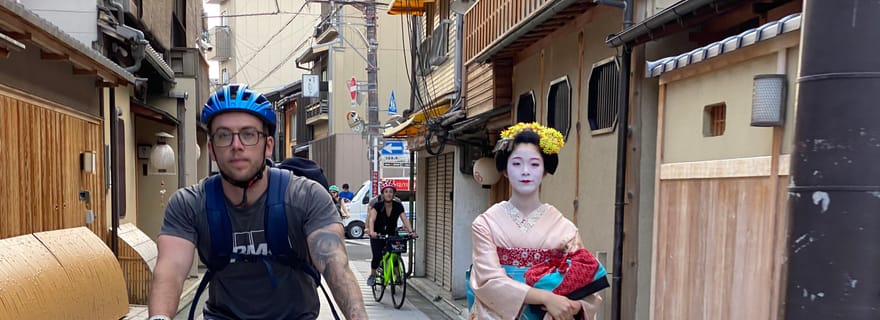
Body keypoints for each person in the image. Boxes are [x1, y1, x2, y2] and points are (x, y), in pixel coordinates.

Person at [148, 84, 367, 320]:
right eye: (223, 135)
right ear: (211, 149)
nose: (236, 145)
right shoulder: (189, 204)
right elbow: (170, 270)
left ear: (268, 146)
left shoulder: (306, 197)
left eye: (248, 134)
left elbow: (337, 267)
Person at [469, 123, 603, 320]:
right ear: (505, 170)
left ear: (545, 171)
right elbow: (488, 280)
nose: (525, 171)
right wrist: (545, 297)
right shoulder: (485, 223)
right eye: (516, 164)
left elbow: (586, 281)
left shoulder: (564, 228)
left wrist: (573, 306)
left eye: (534, 164)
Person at [366, 182, 417, 286]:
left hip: (391, 234)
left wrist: (411, 232)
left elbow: (405, 219)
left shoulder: (398, 206)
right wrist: (371, 232)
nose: (388, 194)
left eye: (391, 192)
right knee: (377, 256)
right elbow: (372, 219)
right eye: (386, 192)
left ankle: (398, 276)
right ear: (382, 194)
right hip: (378, 234)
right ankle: (373, 275)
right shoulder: (377, 205)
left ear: (394, 194)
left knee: (396, 254)